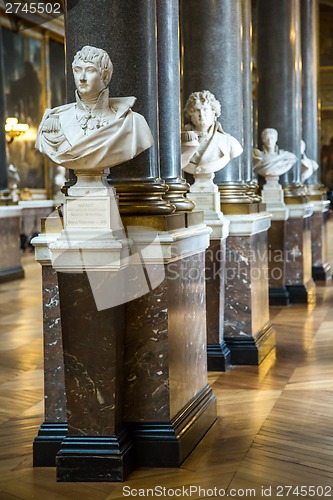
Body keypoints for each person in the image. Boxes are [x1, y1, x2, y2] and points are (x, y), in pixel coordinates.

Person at [35, 45, 153, 171]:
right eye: (78, 70)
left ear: (105, 76)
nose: (82, 78)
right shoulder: (55, 122)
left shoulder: (132, 123)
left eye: (90, 70)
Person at [181, 90, 243, 191]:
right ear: (190, 114)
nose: (201, 114)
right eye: (197, 110)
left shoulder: (229, 143)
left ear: (214, 112)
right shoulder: (180, 143)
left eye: (205, 109)